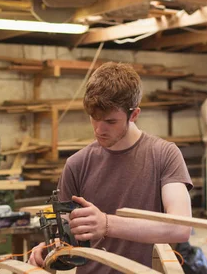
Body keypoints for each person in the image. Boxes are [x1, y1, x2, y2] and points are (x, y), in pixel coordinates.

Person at [28, 62, 193, 273]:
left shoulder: (164, 155)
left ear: (134, 115)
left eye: (110, 121)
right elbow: (64, 233)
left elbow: (181, 227)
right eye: (94, 119)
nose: (99, 130)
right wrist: (49, 249)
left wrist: (106, 224)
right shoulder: (77, 164)